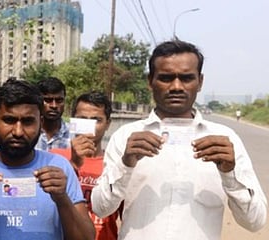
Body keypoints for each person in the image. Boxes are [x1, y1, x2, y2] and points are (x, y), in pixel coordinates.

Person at [91, 40, 267, 239]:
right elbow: (100, 208)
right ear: (150, 81)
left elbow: (255, 221)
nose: (176, 86)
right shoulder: (126, 137)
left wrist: (229, 173)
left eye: (186, 78)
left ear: (200, 82)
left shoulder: (225, 141)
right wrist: (125, 164)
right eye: (166, 78)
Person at [0, 79, 95, 240]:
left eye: (27, 121)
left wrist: (62, 200)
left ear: (40, 122)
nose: (18, 132)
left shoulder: (59, 167)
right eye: (9, 120)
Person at [50, 91, 121, 240]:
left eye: (97, 120)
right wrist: (73, 163)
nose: (90, 127)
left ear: (108, 123)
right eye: (83, 119)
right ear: (73, 121)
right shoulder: (54, 157)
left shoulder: (115, 164)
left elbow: (123, 216)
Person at [35, 77, 70, 151]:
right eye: (48, 100)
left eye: (59, 100)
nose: (54, 106)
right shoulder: (29, 133)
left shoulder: (73, 135)